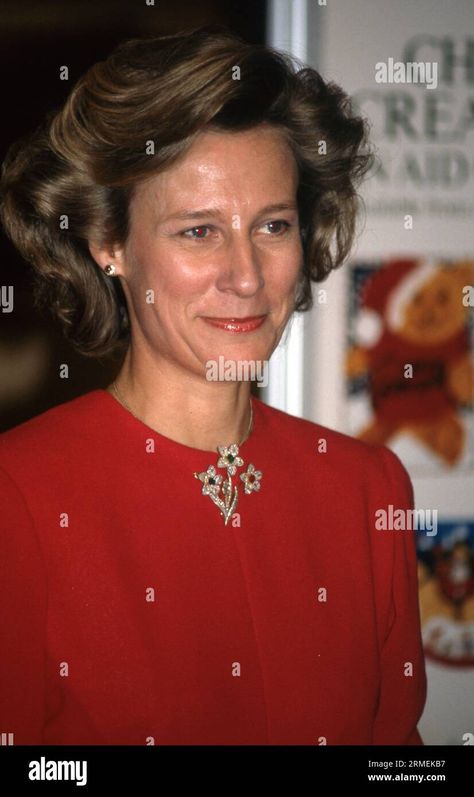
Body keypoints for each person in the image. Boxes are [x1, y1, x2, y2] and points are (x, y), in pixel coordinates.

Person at [0, 25, 426, 745]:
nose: (247, 276)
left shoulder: (369, 488)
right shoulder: (20, 494)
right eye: (199, 231)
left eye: (273, 225)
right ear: (110, 245)